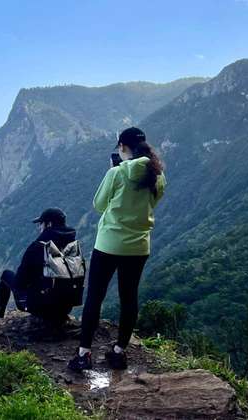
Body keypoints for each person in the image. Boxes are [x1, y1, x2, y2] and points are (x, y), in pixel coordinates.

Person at [68, 127, 166, 371]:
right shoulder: (157, 174)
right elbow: (153, 203)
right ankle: (119, 352)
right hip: (139, 246)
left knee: (95, 297)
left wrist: (112, 172)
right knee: (129, 298)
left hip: (109, 244)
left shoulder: (117, 173)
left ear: (122, 147)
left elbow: (99, 205)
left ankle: (84, 354)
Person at [0, 207, 80, 326]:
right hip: (66, 305)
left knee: (6, 274)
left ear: (48, 224)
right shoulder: (72, 246)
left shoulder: (38, 247)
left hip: (40, 306)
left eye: (41, 224)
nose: (39, 228)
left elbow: (20, 283)